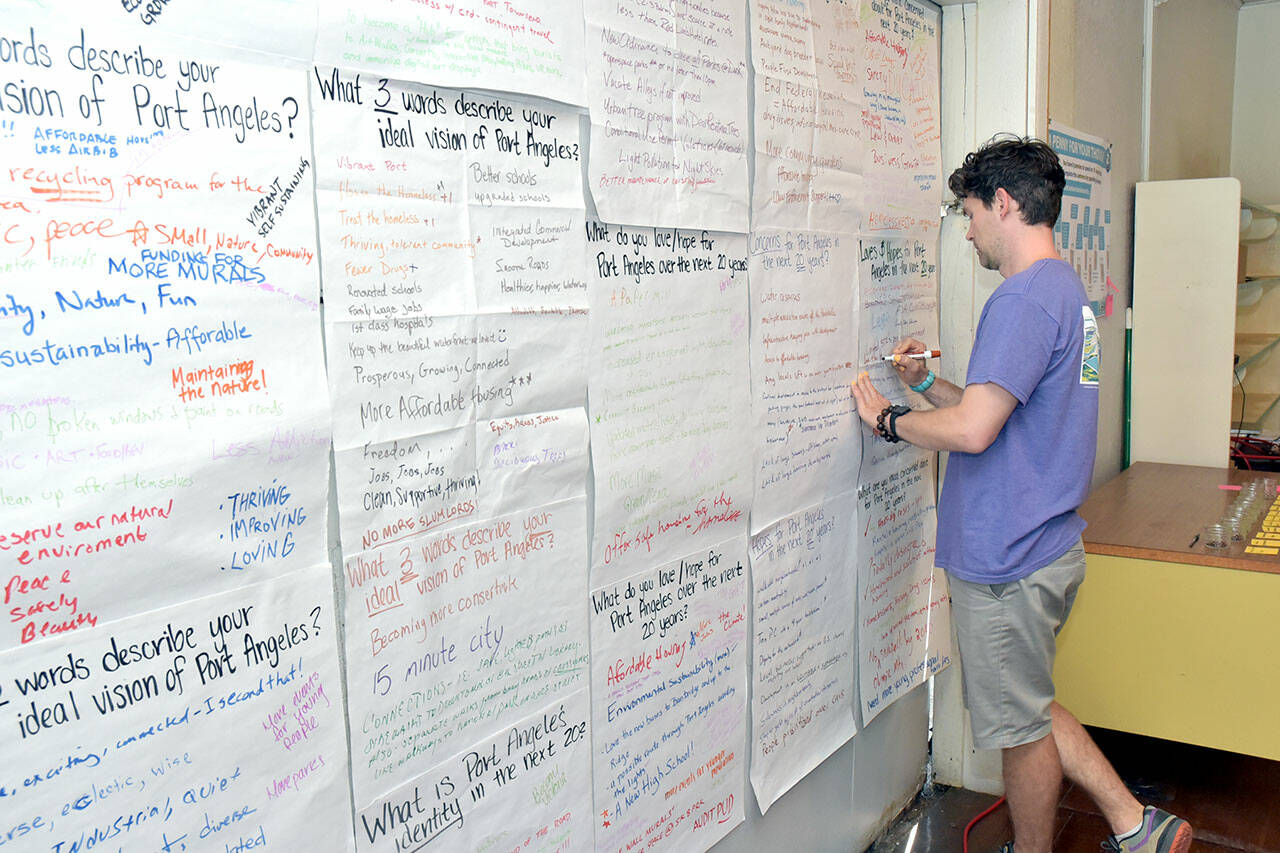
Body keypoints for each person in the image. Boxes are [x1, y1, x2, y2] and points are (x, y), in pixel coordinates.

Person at [850, 136, 1192, 853]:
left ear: (1003, 203)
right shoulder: (1070, 294)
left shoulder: (1022, 301)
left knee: (1020, 726)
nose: (968, 229)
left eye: (970, 212)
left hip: (1009, 559)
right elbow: (997, 412)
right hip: (1044, 543)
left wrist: (888, 419)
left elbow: (974, 431)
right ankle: (1138, 826)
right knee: (1026, 707)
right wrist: (921, 388)